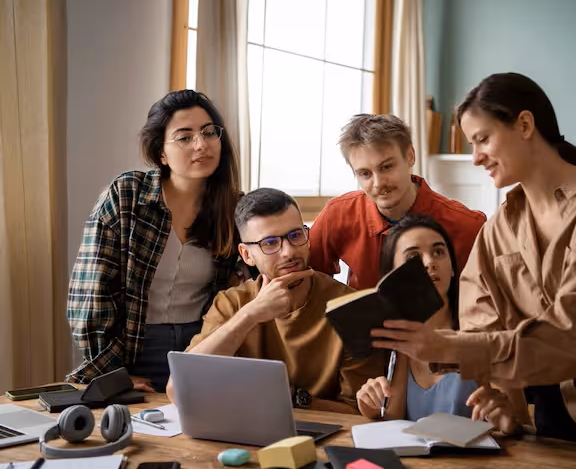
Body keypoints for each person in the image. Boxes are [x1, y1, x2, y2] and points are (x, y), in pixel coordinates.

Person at [372, 73, 576, 458]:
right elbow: (481, 315)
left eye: (482, 139)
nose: (476, 157)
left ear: (525, 125)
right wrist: (502, 401)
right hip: (554, 416)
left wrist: (454, 346)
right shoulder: (500, 227)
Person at [67, 90, 242, 393]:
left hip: (200, 349)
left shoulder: (233, 208)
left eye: (209, 132)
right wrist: (113, 374)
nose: (201, 144)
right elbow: (91, 293)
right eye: (184, 137)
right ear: (161, 152)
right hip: (131, 350)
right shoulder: (127, 195)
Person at [166, 188, 384, 414]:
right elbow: (178, 390)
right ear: (246, 255)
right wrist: (250, 315)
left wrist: (289, 396)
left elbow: (359, 412)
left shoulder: (352, 308)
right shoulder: (231, 304)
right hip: (242, 430)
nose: (288, 252)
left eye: (295, 235)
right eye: (269, 243)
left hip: (324, 434)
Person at [309, 114, 486, 291]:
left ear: (410, 156)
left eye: (386, 167)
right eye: (365, 174)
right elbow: (308, 281)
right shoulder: (338, 213)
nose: (378, 184)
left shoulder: (468, 226)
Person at [355, 215, 481, 422]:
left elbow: (515, 420)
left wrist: (504, 419)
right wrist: (371, 407)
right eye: (413, 257)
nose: (430, 262)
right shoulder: (401, 341)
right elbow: (393, 423)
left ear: (452, 269)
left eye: (439, 252)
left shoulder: (480, 327)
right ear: (393, 278)